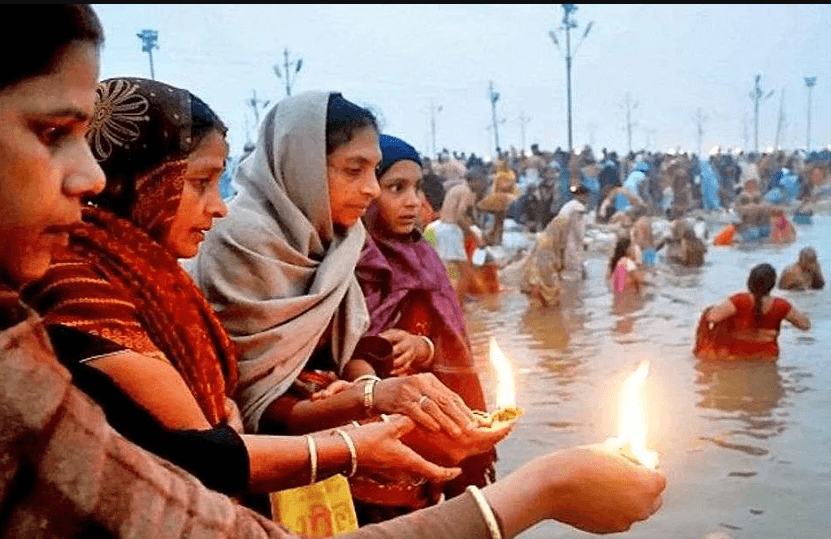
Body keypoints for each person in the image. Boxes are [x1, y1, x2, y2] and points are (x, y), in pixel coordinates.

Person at [0, 6, 665, 538]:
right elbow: (213, 447)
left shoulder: (177, 273)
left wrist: (388, 387)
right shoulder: (74, 294)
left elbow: (310, 374)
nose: (377, 193)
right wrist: (369, 432)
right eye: (53, 132)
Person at [24, 76, 459, 502]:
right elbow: (205, 448)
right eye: (199, 182)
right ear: (141, 178)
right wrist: (352, 437)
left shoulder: (155, 272)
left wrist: (378, 375)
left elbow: (226, 400)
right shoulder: (77, 282)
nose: (217, 206)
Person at [351, 134, 501, 522]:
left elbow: (450, 341)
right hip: (357, 449)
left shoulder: (425, 260)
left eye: (417, 188)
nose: (413, 201)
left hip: (426, 436)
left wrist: (424, 348)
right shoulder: (339, 265)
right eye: (395, 188)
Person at [694, 263, 811, 361]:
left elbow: (712, 317)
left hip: (737, 357)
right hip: (767, 357)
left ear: (750, 281)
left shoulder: (739, 301)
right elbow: (805, 325)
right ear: (772, 285)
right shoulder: (781, 306)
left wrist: (710, 309)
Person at [519, 214, 569, 306]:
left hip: (537, 282)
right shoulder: (546, 243)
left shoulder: (552, 241)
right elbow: (547, 269)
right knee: (540, 312)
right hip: (539, 285)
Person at [556, 184, 591, 280]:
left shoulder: (570, 205)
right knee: (577, 272)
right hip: (569, 240)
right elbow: (576, 227)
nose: (587, 199)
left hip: (561, 238)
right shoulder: (577, 206)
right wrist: (582, 242)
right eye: (586, 196)